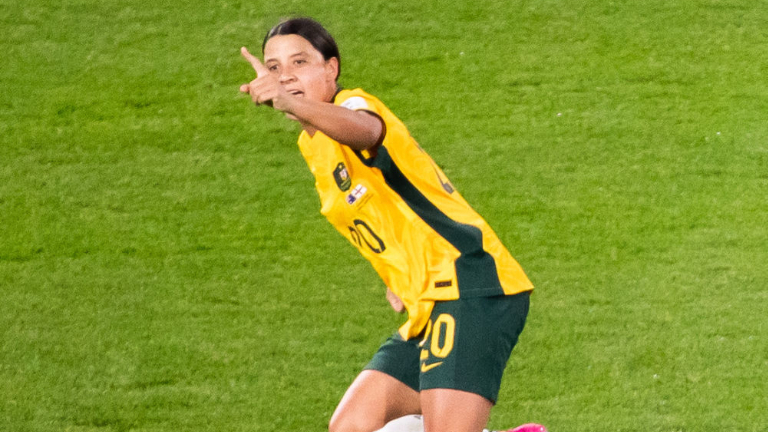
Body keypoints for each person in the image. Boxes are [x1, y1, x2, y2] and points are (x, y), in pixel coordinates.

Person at [239, 17, 545, 432]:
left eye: (300, 62)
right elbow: (384, 212)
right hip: (428, 299)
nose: (285, 76)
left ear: (331, 68)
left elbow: (367, 131)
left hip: (469, 285)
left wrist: (290, 102)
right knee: (350, 426)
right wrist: (398, 275)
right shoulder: (315, 146)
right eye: (274, 67)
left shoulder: (352, 106)